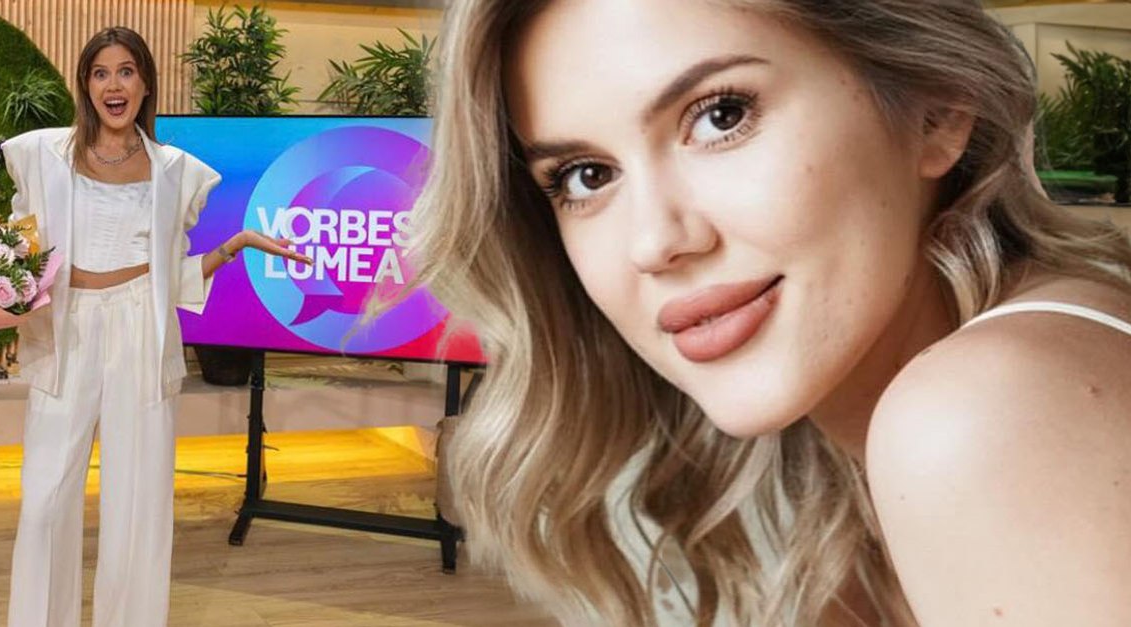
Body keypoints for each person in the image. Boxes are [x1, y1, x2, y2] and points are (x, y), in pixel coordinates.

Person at [406, 1, 1131, 625]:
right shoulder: (815, 465)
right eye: (585, 176)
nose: (654, 242)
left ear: (938, 109)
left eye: (720, 116)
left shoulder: (985, 412)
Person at [0, 26, 309, 627]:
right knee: (44, 501)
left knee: (139, 503)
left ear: (144, 84)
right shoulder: (41, 154)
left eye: (126, 72)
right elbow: (20, 263)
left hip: (140, 328)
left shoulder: (177, 172)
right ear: (85, 84)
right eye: (100, 73)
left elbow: (170, 276)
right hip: (67, 330)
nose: (113, 85)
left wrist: (238, 243)